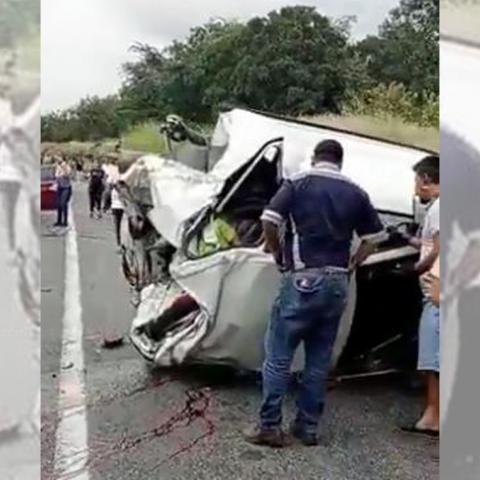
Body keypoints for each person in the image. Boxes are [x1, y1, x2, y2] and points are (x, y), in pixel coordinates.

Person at [244, 139, 385, 447]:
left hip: (302, 279)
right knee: (319, 361)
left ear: (315, 157)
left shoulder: (298, 183)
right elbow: (376, 237)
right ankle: (307, 427)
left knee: (279, 356)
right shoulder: (356, 192)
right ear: (340, 161)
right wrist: (351, 264)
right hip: (337, 282)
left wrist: (278, 253)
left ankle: (269, 426)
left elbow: (269, 219)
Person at [400, 155, 440, 437]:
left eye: (416, 180)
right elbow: (429, 243)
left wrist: (415, 268)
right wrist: (409, 240)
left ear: (426, 180)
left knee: (434, 360)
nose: (415, 187)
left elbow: (439, 248)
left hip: (438, 293)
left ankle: (432, 418)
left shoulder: (439, 207)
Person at [54, 156, 73, 227]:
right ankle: (59, 221)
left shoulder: (67, 167)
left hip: (66, 187)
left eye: (59, 158)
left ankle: (65, 221)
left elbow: (67, 175)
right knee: (58, 204)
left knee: (63, 203)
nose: (57, 160)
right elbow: (56, 176)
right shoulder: (58, 167)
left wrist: (63, 167)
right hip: (59, 187)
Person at [111, 182, 125, 251]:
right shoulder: (123, 190)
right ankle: (120, 244)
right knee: (120, 227)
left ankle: (119, 244)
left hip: (115, 208)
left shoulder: (113, 190)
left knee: (117, 227)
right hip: (121, 208)